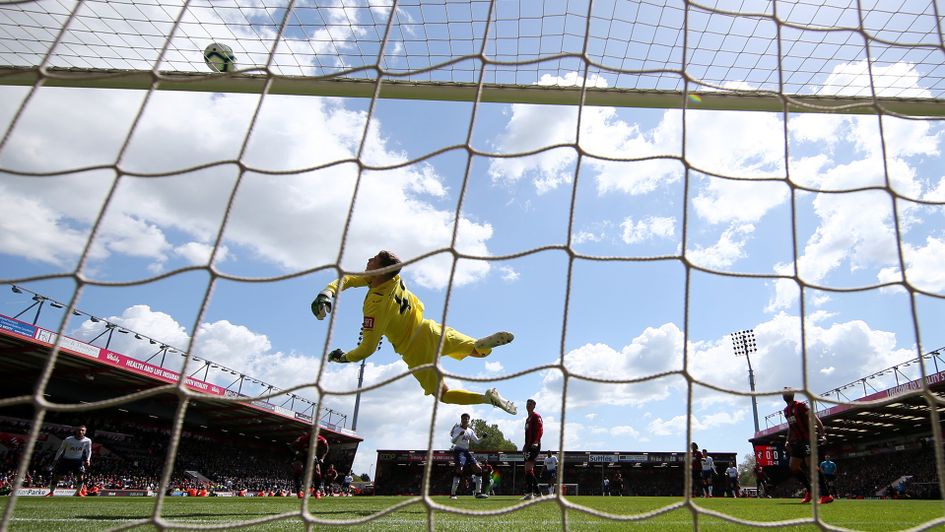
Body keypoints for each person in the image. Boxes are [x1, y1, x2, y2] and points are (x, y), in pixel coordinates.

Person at [315, 250, 517, 415]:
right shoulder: (391, 278)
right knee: (475, 350)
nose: (368, 259)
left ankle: (485, 398)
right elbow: (350, 279)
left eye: (374, 260)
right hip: (429, 329)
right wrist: (328, 291)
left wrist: (344, 358)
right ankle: (482, 347)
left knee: (443, 395)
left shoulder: (376, 305)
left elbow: (367, 348)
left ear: (381, 270)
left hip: (414, 350)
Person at [782, 387, 832, 504]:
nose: (785, 394)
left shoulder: (801, 406)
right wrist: (787, 440)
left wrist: (822, 435)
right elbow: (791, 426)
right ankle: (810, 491)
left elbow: (815, 419)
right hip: (797, 442)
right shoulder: (786, 411)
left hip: (807, 440)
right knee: (793, 467)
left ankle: (826, 495)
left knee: (812, 466)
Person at [449, 413, 489, 499]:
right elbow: (453, 441)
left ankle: (478, 493)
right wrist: (459, 435)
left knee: (478, 469)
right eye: (463, 419)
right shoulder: (457, 429)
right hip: (459, 451)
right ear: (461, 420)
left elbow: (477, 441)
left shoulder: (470, 431)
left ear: (468, 420)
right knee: (459, 469)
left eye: (466, 419)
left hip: (466, 452)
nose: (465, 420)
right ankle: (453, 494)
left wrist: (483, 437)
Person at [45, 424, 92, 497]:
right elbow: (61, 449)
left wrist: (88, 460)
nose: (80, 431)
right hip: (66, 460)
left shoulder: (87, 440)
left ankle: (78, 492)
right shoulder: (68, 439)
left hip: (78, 460)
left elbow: (89, 451)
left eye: (82, 430)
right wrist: (55, 459)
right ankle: (51, 492)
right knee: (57, 476)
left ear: (85, 432)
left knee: (80, 476)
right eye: (79, 430)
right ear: (76, 431)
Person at [291, 430, 329, 499]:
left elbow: (326, 448)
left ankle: (316, 491)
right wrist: (297, 452)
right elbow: (292, 445)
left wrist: (322, 458)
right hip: (301, 455)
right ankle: (299, 492)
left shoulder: (322, 439)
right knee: (298, 469)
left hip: (312, 456)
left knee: (317, 472)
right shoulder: (302, 439)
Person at [521, 398, 543, 500]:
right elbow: (527, 434)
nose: (528, 406)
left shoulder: (536, 416)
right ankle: (538, 493)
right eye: (527, 404)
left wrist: (536, 441)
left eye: (530, 404)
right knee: (528, 470)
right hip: (528, 446)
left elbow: (540, 429)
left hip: (534, 445)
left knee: (528, 468)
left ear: (534, 406)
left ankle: (530, 494)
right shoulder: (527, 419)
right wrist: (525, 446)